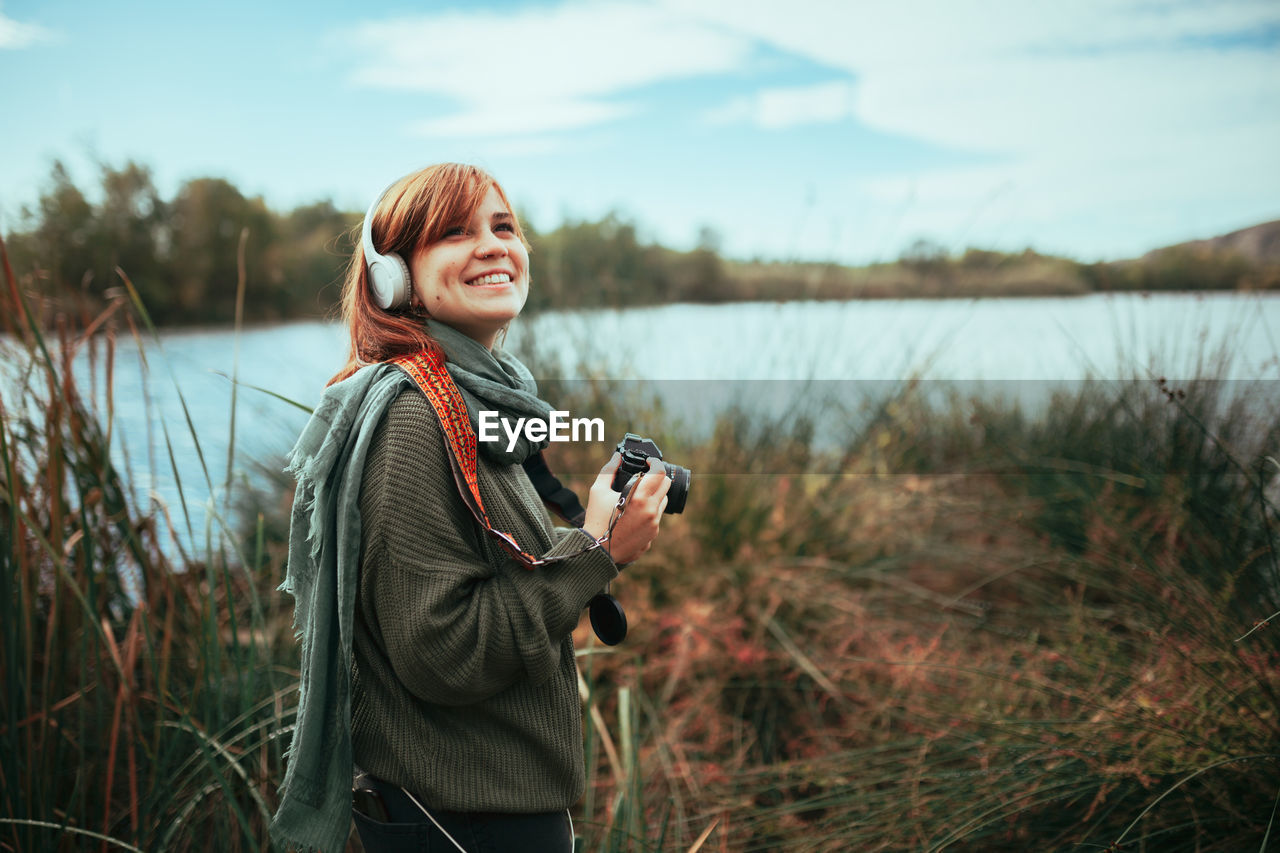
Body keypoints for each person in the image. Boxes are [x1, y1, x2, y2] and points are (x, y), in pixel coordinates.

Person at [269, 163, 670, 853]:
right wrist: (596, 553)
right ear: (393, 275)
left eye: (503, 226)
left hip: (484, 812)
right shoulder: (412, 418)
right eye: (456, 232)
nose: (492, 246)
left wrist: (593, 531)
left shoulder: (470, 404)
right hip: (461, 826)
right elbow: (445, 652)